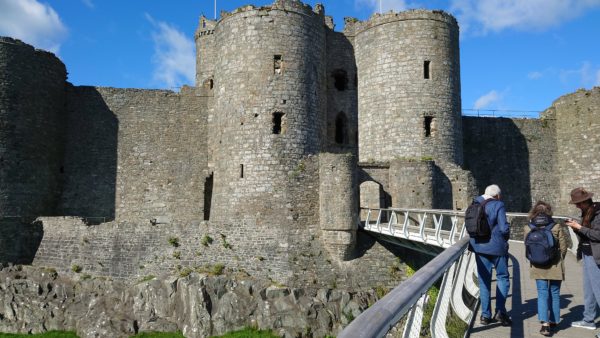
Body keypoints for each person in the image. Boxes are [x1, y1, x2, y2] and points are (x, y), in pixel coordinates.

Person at [468, 184, 512, 326]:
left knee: (483, 281)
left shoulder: (475, 203)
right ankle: (500, 312)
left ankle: (485, 316)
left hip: (479, 248)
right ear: (497, 195)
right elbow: (504, 228)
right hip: (497, 248)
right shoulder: (498, 205)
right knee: (503, 277)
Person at [524, 201, 569, 336]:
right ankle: (554, 321)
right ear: (549, 211)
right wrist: (558, 260)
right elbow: (564, 247)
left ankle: (544, 325)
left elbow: (527, 247)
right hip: (554, 265)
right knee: (554, 293)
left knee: (542, 293)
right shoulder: (556, 226)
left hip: (537, 265)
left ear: (534, 211)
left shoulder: (528, 227)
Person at [565, 187, 600, 335]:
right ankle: (588, 319)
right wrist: (575, 228)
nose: (577, 206)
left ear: (586, 201)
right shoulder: (587, 211)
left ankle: (589, 319)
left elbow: (597, 235)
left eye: (579, 203)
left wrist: (579, 227)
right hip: (587, 254)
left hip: (595, 255)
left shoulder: (598, 213)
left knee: (598, 290)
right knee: (589, 290)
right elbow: (586, 234)